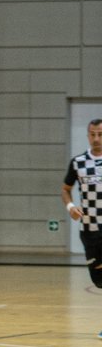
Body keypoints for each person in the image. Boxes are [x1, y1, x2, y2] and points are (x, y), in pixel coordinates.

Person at [62, 118, 102, 298]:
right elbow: (65, 189)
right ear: (87, 136)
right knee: (99, 281)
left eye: (100, 135)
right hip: (89, 229)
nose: (96, 139)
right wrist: (71, 206)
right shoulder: (78, 162)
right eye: (93, 135)